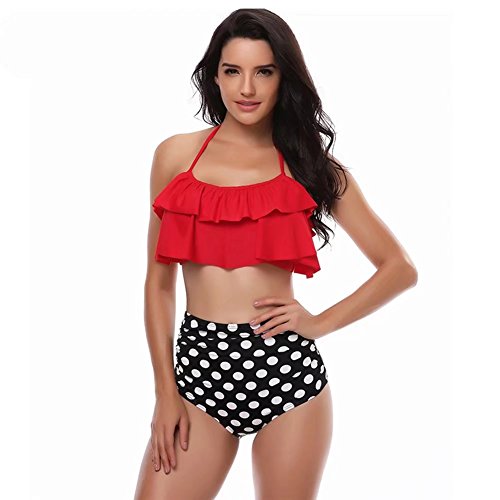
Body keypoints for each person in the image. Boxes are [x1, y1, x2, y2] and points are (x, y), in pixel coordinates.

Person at [134, 8, 418, 500]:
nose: (247, 88)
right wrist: (165, 393)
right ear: (215, 76)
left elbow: (399, 269)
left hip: (288, 375)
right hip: (197, 373)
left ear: (283, 77)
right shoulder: (175, 156)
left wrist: (319, 323)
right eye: (233, 71)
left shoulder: (311, 166)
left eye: (263, 71)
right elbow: (158, 284)